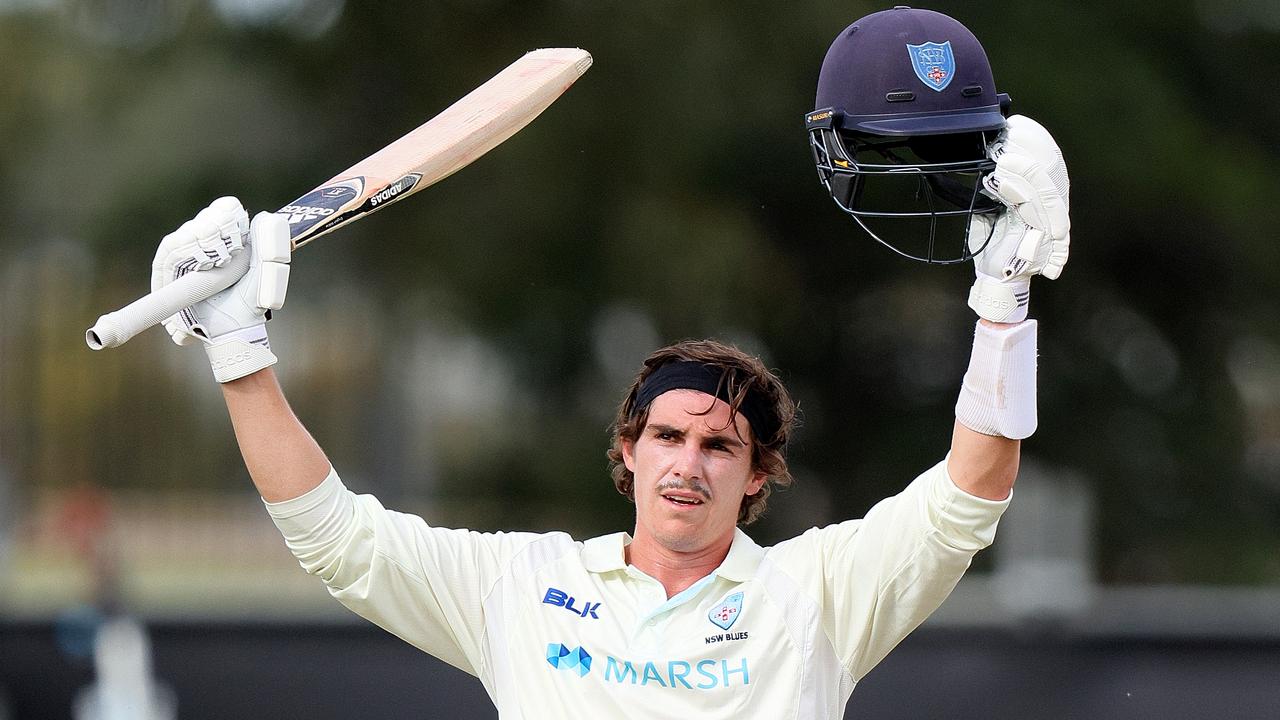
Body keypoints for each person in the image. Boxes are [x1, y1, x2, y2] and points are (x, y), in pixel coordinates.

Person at [146, 6, 1068, 718]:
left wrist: (1004, 296)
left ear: (757, 478)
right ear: (627, 451)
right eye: (668, 436)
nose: (687, 463)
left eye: (719, 447)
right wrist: (237, 349)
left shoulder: (817, 595)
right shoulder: (520, 590)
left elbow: (970, 493)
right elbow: (332, 539)